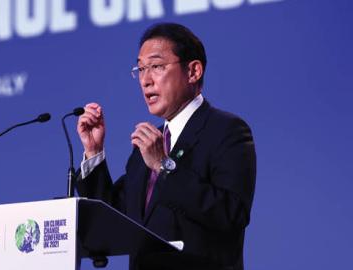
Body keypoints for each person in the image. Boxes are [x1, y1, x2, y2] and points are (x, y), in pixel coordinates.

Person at [76, 23, 256, 270]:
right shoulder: (149, 144)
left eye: (157, 66)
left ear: (193, 71)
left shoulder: (227, 130)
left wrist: (164, 166)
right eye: (140, 69)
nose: (145, 80)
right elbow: (114, 218)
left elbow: (231, 214)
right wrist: (94, 153)